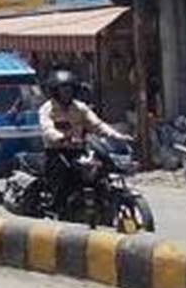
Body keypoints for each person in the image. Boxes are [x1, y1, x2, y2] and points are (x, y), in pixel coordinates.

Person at [39, 68, 128, 213]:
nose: (66, 93)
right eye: (63, 89)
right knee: (64, 175)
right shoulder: (47, 108)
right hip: (56, 151)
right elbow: (47, 128)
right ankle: (57, 208)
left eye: (69, 89)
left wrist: (116, 135)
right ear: (55, 91)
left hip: (78, 149)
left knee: (99, 168)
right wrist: (60, 137)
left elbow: (97, 124)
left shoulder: (80, 107)